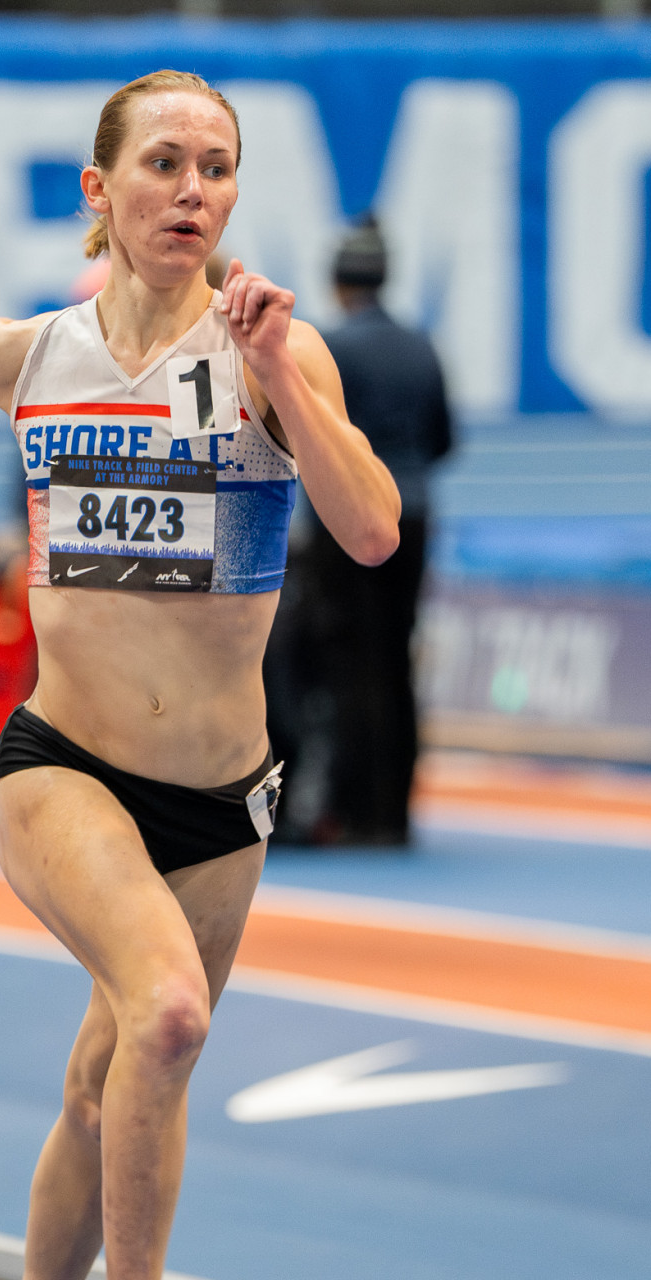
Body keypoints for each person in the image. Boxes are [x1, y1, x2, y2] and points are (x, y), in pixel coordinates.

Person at [0, 70, 399, 1280]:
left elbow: (372, 530)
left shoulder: (269, 351)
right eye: (164, 162)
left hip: (224, 799)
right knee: (169, 1015)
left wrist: (285, 369)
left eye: (217, 167)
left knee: (104, 1082)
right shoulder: (35, 352)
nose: (193, 190)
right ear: (98, 190)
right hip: (64, 765)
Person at [269, 217, 452, 846]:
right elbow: (444, 439)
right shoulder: (422, 348)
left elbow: (309, 439)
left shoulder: (332, 350)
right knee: (397, 656)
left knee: (347, 662)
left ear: (338, 284)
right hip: (415, 516)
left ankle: (355, 810)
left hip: (343, 526)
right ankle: (396, 810)